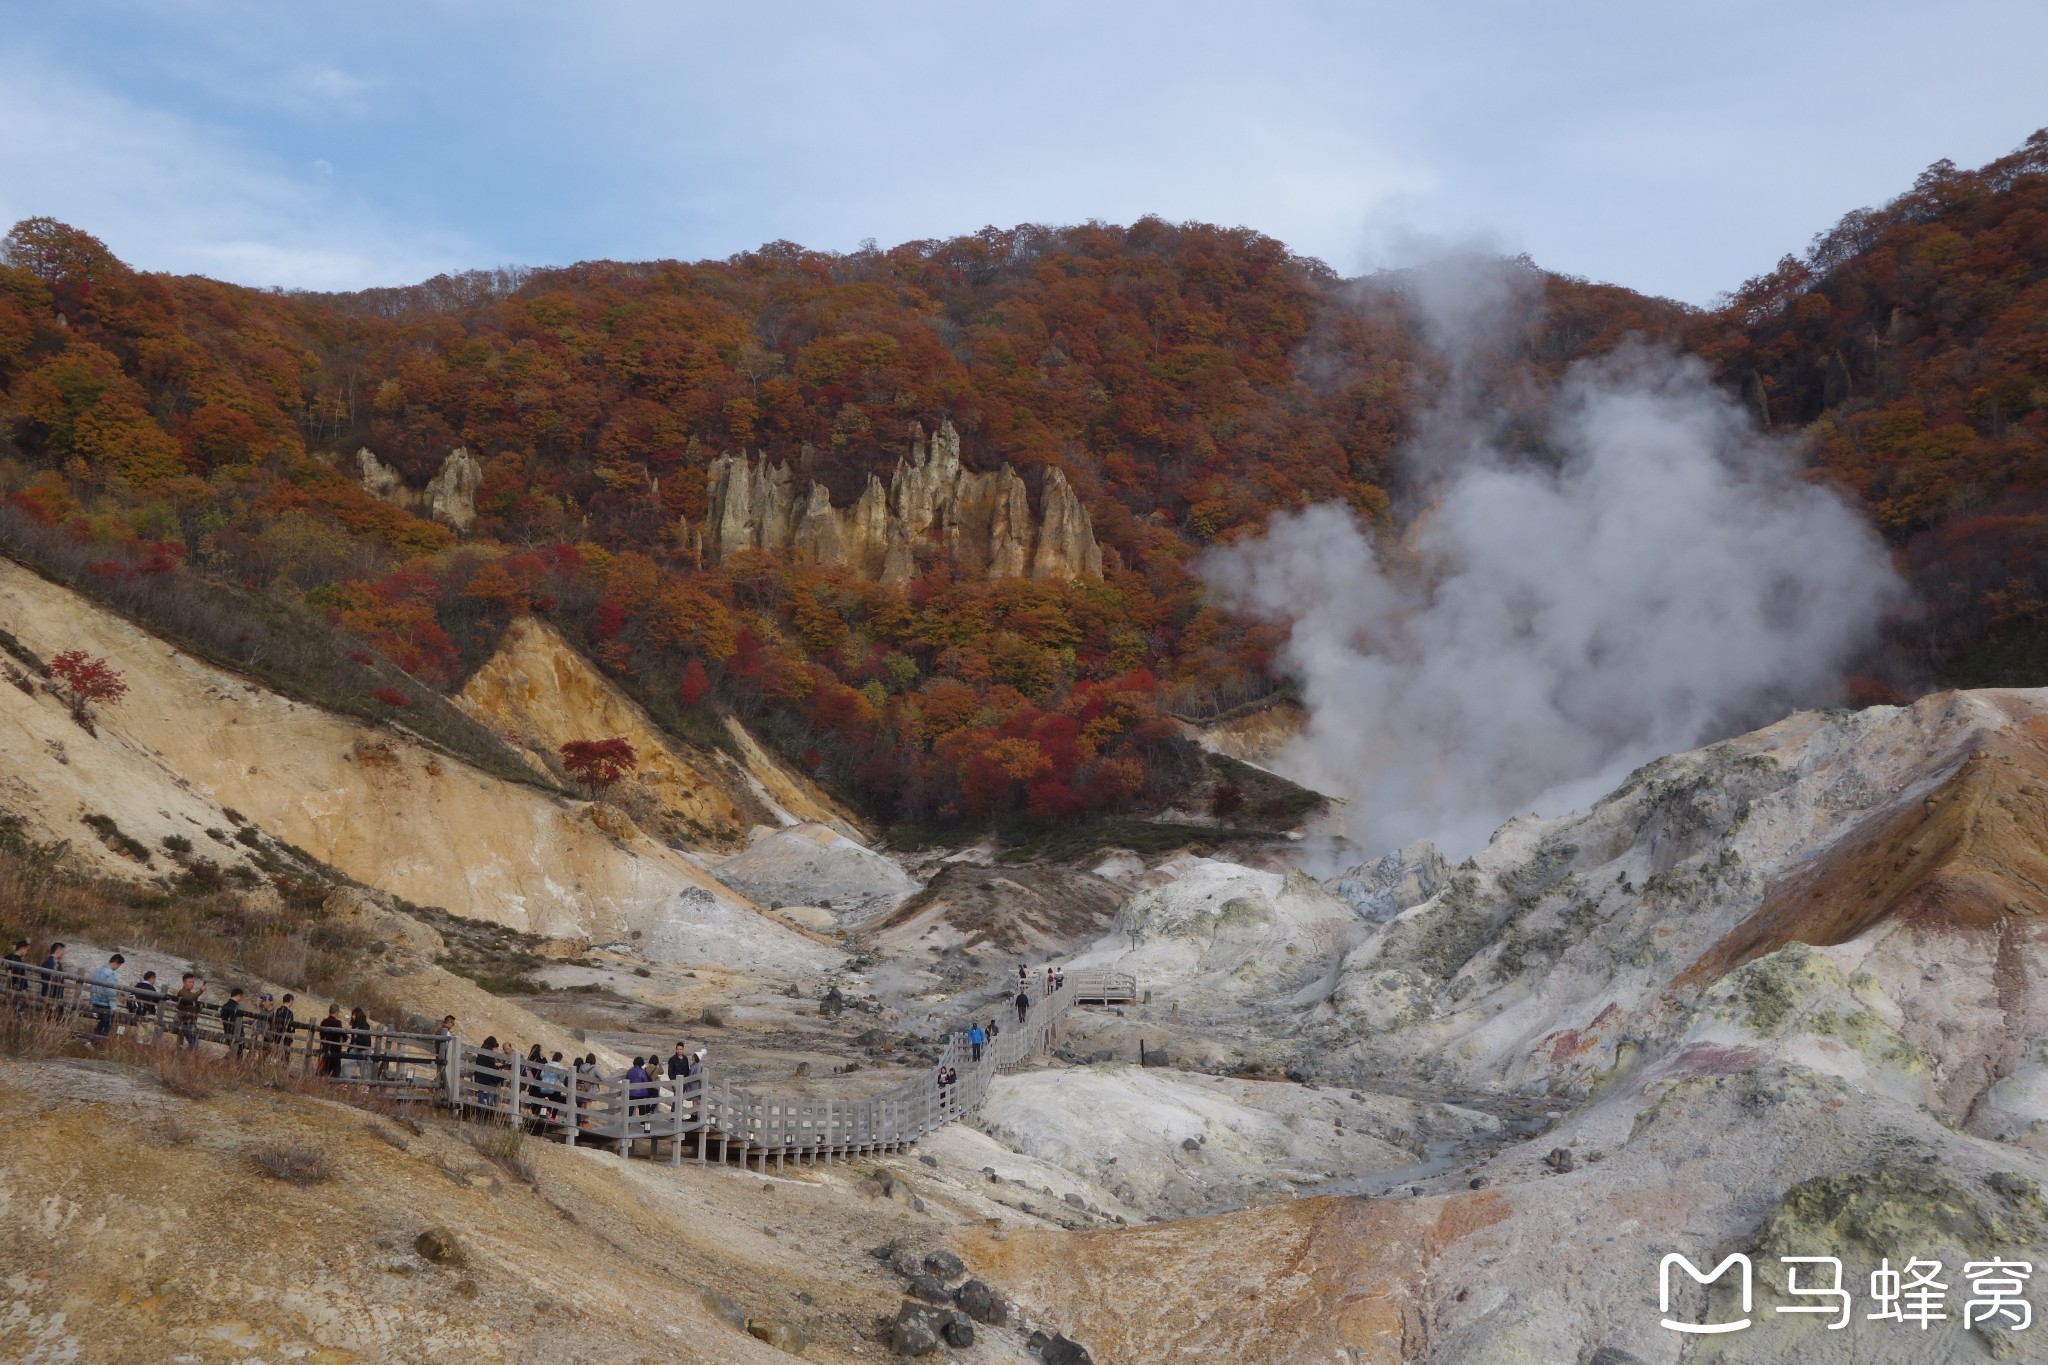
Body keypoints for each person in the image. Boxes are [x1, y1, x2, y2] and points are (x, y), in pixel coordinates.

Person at [88, 952, 124, 1039]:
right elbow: (110, 991)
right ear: (116, 964)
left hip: (95, 1001)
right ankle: (98, 1042)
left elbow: (91, 987)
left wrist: (91, 1001)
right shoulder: (109, 974)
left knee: (102, 1023)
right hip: (104, 1004)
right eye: (119, 966)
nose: (117, 968)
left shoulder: (96, 971)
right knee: (107, 1024)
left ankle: (93, 1039)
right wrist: (113, 1007)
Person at [174, 973, 205, 1051]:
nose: (191, 984)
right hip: (185, 1022)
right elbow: (190, 998)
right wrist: (200, 991)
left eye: (192, 982)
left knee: (194, 1044)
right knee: (193, 1045)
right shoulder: (181, 992)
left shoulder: (192, 994)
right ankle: (185, 1057)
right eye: (189, 982)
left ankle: (185, 1057)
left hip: (192, 1022)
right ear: (184, 983)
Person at [316, 1004, 345, 1076]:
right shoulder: (338, 1023)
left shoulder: (324, 1022)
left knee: (324, 1070)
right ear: (337, 1012)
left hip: (325, 1048)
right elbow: (343, 1036)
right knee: (335, 1071)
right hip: (335, 1050)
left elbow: (321, 1035)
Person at [627, 1056, 653, 1133]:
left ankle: (627, 1123)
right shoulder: (642, 1071)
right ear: (641, 1063)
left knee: (630, 1107)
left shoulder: (630, 1071)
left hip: (631, 1092)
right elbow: (645, 1080)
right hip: (641, 1093)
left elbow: (626, 1079)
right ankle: (642, 1122)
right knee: (641, 1107)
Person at [269, 993, 298, 1063]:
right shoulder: (289, 1013)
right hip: (285, 1039)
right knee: (285, 1057)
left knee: (274, 1055)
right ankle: (281, 1071)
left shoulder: (276, 1011)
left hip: (275, 1036)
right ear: (290, 1001)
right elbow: (291, 1028)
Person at [344, 1007, 372, 1081]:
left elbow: (364, 1040)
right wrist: (349, 1049)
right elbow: (354, 1040)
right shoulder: (355, 1026)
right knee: (347, 1065)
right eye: (352, 1015)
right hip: (354, 1048)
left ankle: (366, 1086)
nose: (353, 1017)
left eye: (354, 1015)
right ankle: (343, 1081)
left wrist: (352, 1039)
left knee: (365, 1069)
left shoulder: (365, 1026)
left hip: (363, 1050)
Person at [219, 988, 247, 1056]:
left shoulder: (225, 1006)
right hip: (235, 1034)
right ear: (238, 996)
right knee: (237, 1054)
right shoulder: (236, 1007)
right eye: (241, 997)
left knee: (233, 1052)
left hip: (228, 1032)